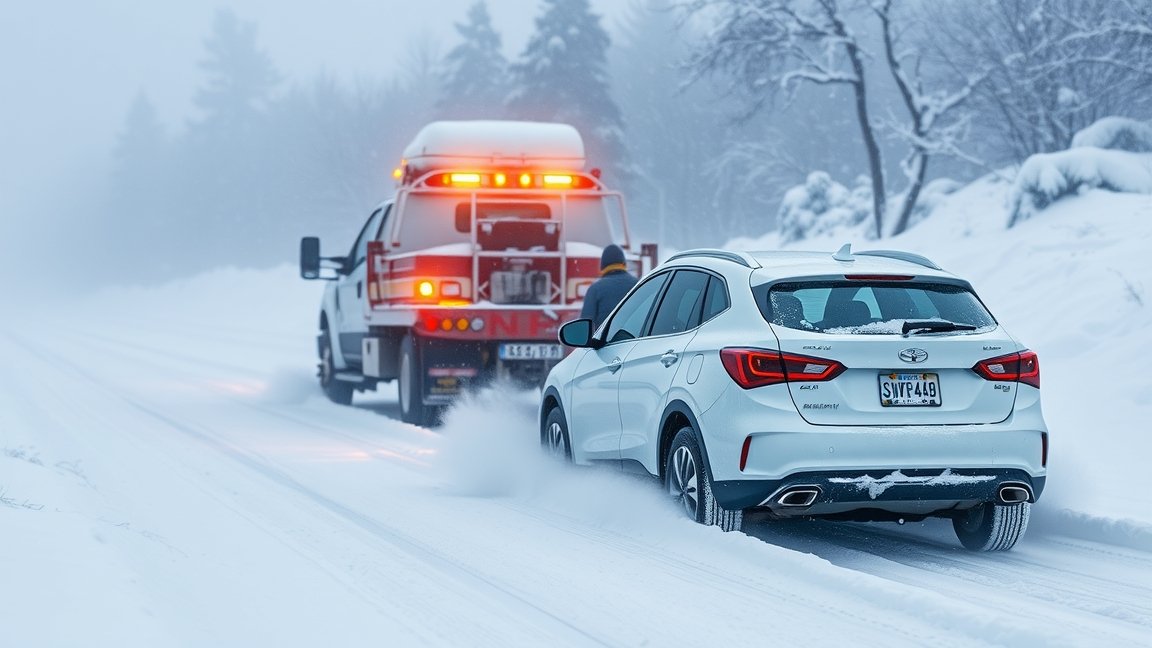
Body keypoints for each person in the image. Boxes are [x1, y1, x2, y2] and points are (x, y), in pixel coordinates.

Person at [580, 244, 638, 329]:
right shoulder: (638, 285)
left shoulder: (595, 289)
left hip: (606, 341)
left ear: (602, 266)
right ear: (624, 263)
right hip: (635, 340)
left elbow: (585, 325)